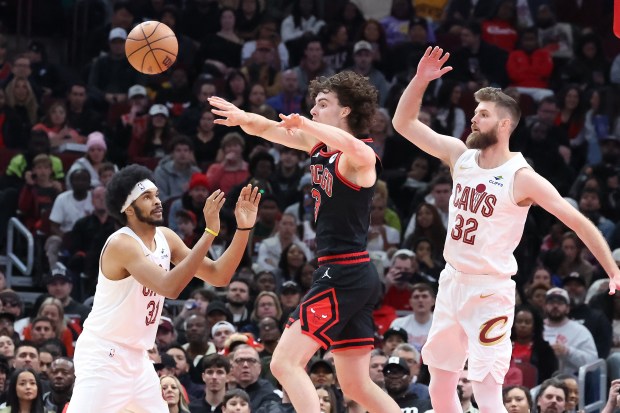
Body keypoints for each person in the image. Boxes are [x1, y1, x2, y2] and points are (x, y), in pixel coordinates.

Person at [391, 46, 620, 412]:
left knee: (485, 391)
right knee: (439, 387)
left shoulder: (521, 177)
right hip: (452, 283)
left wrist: (612, 268)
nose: (473, 119)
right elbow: (403, 124)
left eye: (482, 114)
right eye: (474, 112)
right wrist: (420, 81)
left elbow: (576, 220)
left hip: (489, 291)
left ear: (503, 125)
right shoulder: (459, 156)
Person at [209, 71, 402, 413]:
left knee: (283, 363)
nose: (313, 110)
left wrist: (307, 126)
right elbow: (268, 128)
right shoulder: (319, 147)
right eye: (313, 104)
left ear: (345, 111)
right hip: (349, 275)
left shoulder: (358, 159)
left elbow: (359, 149)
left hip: (344, 273)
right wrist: (242, 118)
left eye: (323, 104)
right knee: (356, 384)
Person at [66, 164, 260, 413]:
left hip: (138, 358)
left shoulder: (166, 237)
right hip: (104, 355)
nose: (157, 201)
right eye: (147, 197)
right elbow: (170, 287)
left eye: (156, 195)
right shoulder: (121, 244)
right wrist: (209, 232)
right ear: (128, 209)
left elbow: (219, 276)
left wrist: (243, 229)